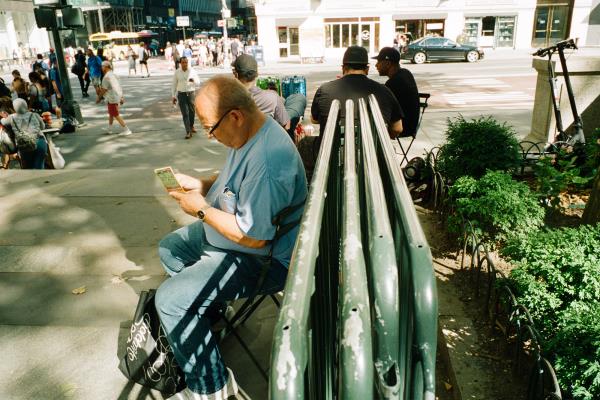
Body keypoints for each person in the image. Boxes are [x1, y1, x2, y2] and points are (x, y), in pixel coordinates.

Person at [155, 75, 307, 400]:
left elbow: (253, 238)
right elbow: (231, 183)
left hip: (263, 258)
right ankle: (205, 323)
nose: (211, 136)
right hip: (232, 234)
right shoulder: (249, 134)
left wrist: (199, 209)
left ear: (235, 116)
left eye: (211, 127)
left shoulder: (268, 159)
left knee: (169, 301)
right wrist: (201, 186)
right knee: (170, 248)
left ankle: (212, 388)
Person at [311, 46, 404, 139]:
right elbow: (397, 128)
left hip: (331, 152)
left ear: (343, 68)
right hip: (372, 152)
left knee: (305, 142)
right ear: (367, 69)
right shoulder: (384, 91)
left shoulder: (324, 90)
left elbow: (314, 120)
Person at [231, 54, 290, 130]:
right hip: (268, 137)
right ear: (257, 74)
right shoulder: (272, 97)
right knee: (296, 100)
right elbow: (286, 126)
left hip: (242, 139)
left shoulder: (230, 100)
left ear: (236, 74)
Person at [373, 47, 420, 138]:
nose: (376, 65)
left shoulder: (394, 83)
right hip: (411, 126)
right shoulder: (405, 73)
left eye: (379, 61)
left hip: (402, 128)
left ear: (387, 63)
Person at [0, 98, 47, 169]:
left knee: (27, 169)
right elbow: (43, 127)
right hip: (40, 141)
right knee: (39, 166)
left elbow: (2, 121)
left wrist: (5, 115)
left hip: (24, 145)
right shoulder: (35, 115)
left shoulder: (11, 117)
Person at [98, 61, 131, 135]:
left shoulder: (106, 77)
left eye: (102, 66)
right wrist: (121, 97)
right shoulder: (115, 75)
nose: (101, 68)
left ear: (106, 67)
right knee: (111, 114)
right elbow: (119, 87)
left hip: (112, 98)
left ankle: (126, 129)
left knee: (115, 114)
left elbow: (104, 90)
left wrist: (98, 98)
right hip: (115, 97)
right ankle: (110, 129)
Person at [171, 57, 199, 139]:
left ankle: (191, 126)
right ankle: (188, 131)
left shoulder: (192, 71)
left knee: (192, 112)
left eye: (186, 62)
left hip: (191, 94)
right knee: (185, 114)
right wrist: (173, 96)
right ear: (180, 63)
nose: (185, 64)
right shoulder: (177, 72)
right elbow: (174, 85)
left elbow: (198, 82)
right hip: (181, 94)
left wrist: (193, 80)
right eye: (183, 62)